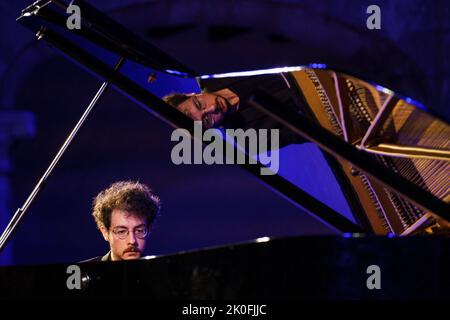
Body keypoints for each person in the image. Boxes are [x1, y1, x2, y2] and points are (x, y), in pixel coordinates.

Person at [86, 181, 161, 261]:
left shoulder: (163, 272)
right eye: (121, 231)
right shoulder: (83, 272)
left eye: (139, 231)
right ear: (105, 232)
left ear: (149, 229)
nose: (132, 241)